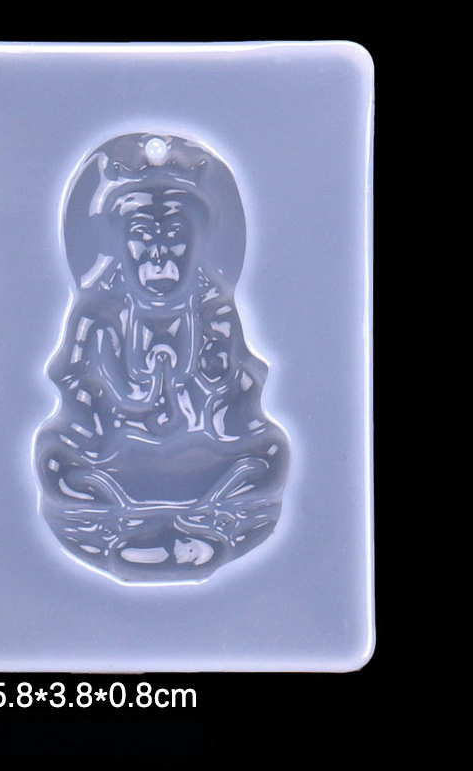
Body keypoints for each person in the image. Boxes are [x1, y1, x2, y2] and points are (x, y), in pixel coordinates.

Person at [35, 134, 289, 582]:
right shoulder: (98, 315)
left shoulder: (213, 313)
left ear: (199, 244)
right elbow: (74, 386)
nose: (158, 256)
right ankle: (193, 527)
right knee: (56, 463)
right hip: (118, 452)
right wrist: (125, 399)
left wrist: (213, 385)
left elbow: (238, 393)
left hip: (201, 450)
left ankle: (141, 531)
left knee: (271, 453)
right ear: (119, 246)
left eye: (174, 238)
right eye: (142, 239)